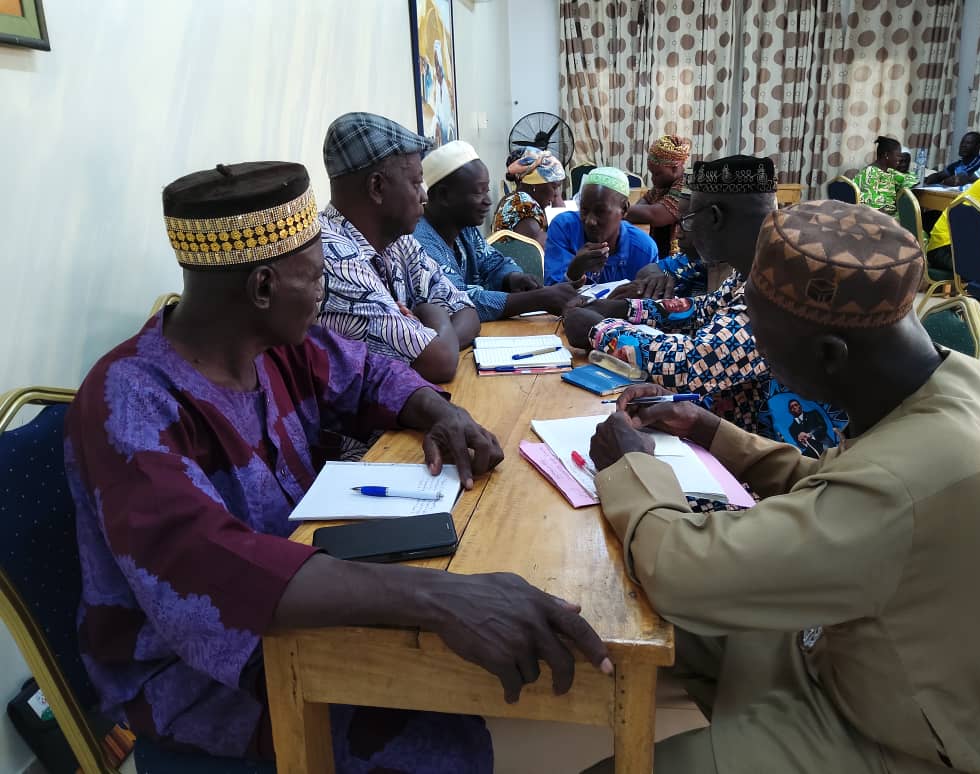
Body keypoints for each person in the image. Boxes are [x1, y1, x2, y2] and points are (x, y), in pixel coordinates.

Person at [66, 162, 612, 773]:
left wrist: (440, 412)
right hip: (210, 682)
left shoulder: (271, 346)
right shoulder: (129, 403)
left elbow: (370, 371)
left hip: (309, 599)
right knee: (454, 736)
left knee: (500, 651)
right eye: (318, 275)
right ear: (264, 287)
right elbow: (211, 567)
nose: (326, 291)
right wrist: (440, 599)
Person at [584, 199, 980, 774]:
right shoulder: (962, 381)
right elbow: (848, 488)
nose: (758, 350)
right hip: (863, 660)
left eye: (763, 339)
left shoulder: (901, 486)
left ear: (828, 355)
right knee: (634, 609)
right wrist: (712, 430)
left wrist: (631, 466)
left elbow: (679, 570)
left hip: (893, 740)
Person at [563, 156, 782, 436]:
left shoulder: (777, 287)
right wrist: (623, 309)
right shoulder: (757, 266)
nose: (680, 231)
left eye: (687, 220)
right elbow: (702, 310)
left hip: (775, 450)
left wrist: (598, 330)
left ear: (714, 218)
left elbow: (691, 365)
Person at [318, 112, 480, 384]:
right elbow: (440, 362)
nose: (424, 196)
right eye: (416, 183)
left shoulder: (397, 240)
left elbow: (467, 311)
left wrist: (431, 333)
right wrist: (434, 313)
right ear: (377, 187)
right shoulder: (335, 259)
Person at [413, 141, 578, 320]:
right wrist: (538, 299)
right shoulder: (419, 243)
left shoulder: (464, 229)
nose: (488, 201)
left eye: (487, 190)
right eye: (479, 192)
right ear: (444, 195)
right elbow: (458, 300)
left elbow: (494, 263)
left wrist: (512, 277)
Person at [544, 167, 658, 285]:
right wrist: (573, 273)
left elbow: (648, 294)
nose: (590, 221)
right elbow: (551, 290)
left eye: (601, 212)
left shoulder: (643, 250)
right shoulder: (565, 229)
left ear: (624, 209)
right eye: (584, 210)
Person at [626, 135, 692, 258]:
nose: (653, 178)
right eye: (652, 173)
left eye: (657, 174)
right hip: (662, 250)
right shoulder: (663, 184)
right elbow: (645, 201)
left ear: (674, 168)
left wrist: (616, 210)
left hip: (681, 259)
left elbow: (656, 215)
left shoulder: (687, 183)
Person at [492, 147, 566, 247]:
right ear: (535, 184)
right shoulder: (523, 205)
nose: (556, 194)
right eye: (554, 187)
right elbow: (550, 249)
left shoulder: (514, 199)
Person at [852, 136, 917, 216]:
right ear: (886, 155)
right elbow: (871, 205)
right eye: (898, 155)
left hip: (888, 215)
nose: (899, 159)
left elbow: (909, 179)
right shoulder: (871, 172)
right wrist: (892, 220)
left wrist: (905, 187)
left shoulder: (889, 171)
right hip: (876, 218)